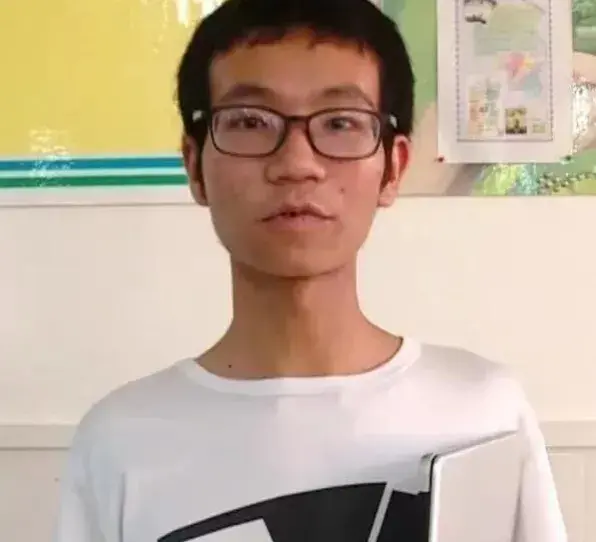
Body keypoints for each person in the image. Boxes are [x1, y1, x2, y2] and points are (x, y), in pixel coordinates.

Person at [53, 0, 567, 540]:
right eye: (250, 122)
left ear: (393, 167)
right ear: (194, 166)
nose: (297, 164)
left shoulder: (484, 411)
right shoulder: (120, 443)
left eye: (340, 122)